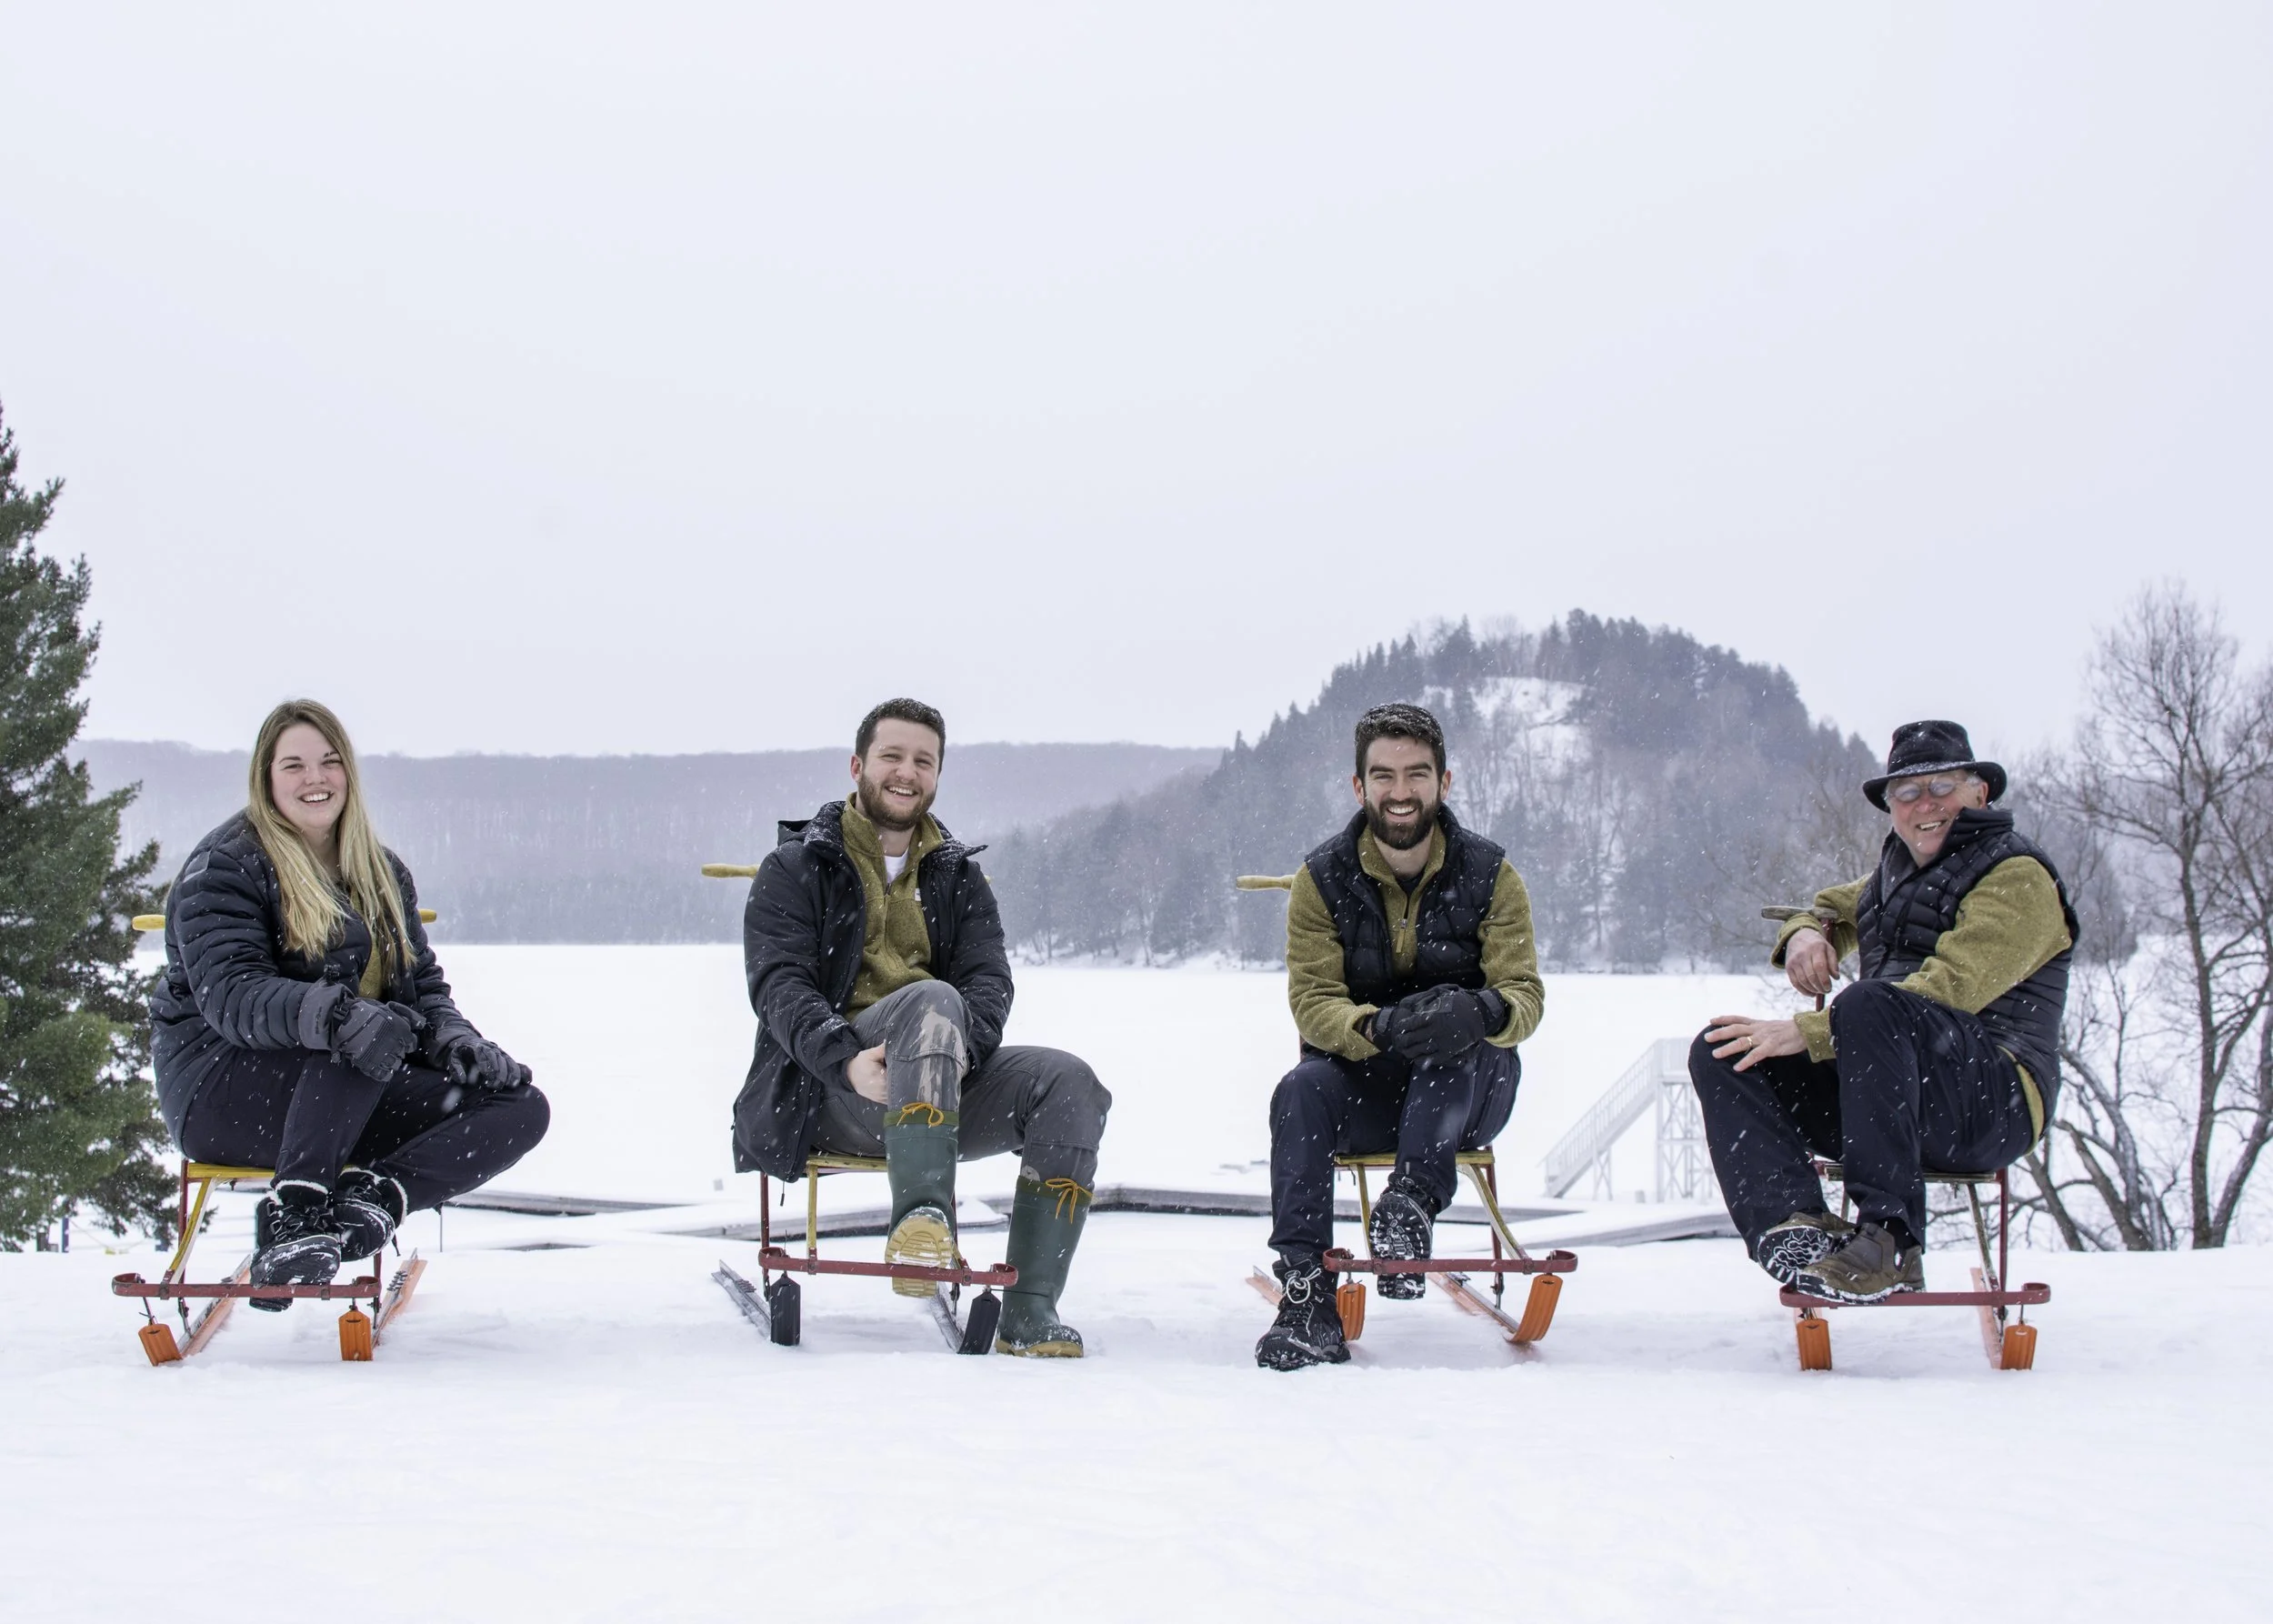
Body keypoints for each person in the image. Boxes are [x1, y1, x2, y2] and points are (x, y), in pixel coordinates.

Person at [731, 697, 1112, 1358]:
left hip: (944, 1081)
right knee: (930, 1001)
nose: (906, 773)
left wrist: (948, 1060)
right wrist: (845, 1061)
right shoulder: (796, 868)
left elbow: (990, 985)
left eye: (923, 761)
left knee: (1069, 1083)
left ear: (937, 776)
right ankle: (923, 1223)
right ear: (858, 765)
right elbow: (779, 987)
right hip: (833, 1094)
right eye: (891, 756)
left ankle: (1030, 1310)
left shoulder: (958, 876)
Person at [150, 700, 549, 1306]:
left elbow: (424, 989)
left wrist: (457, 1044)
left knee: (518, 1106)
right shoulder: (225, 867)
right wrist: (340, 1018)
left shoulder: (382, 873)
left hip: (347, 1091)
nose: (315, 779)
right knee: (361, 1041)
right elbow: (230, 995)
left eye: (329, 762)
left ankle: (371, 1200)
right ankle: (296, 1215)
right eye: (295, 766)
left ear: (349, 774)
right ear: (267, 778)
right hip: (222, 1092)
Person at [1689, 719, 2077, 1302]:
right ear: (1891, 807)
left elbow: (1949, 988)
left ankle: (1889, 1244)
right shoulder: (1888, 879)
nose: (1926, 804)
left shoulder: (2017, 876)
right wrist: (1805, 935)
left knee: (1870, 1003)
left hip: (1991, 1101)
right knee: (1724, 1049)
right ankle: (1797, 1228)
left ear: (1980, 793)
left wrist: (1809, 1032)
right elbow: (1822, 907)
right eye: (1907, 793)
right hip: (1886, 1101)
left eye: (1942, 786)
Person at [1255, 703, 1546, 1371]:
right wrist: (1378, 1026)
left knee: (1452, 1031)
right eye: (1383, 776)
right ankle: (1305, 1296)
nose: (1401, 791)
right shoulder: (1320, 880)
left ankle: (1410, 1209)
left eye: (1417, 774)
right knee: (1299, 1089)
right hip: (1368, 1083)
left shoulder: (1493, 875)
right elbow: (1313, 1003)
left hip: (1471, 1088)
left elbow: (1526, 996)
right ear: (1359, 787)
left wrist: (1479, 1012)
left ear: (1446, 782)